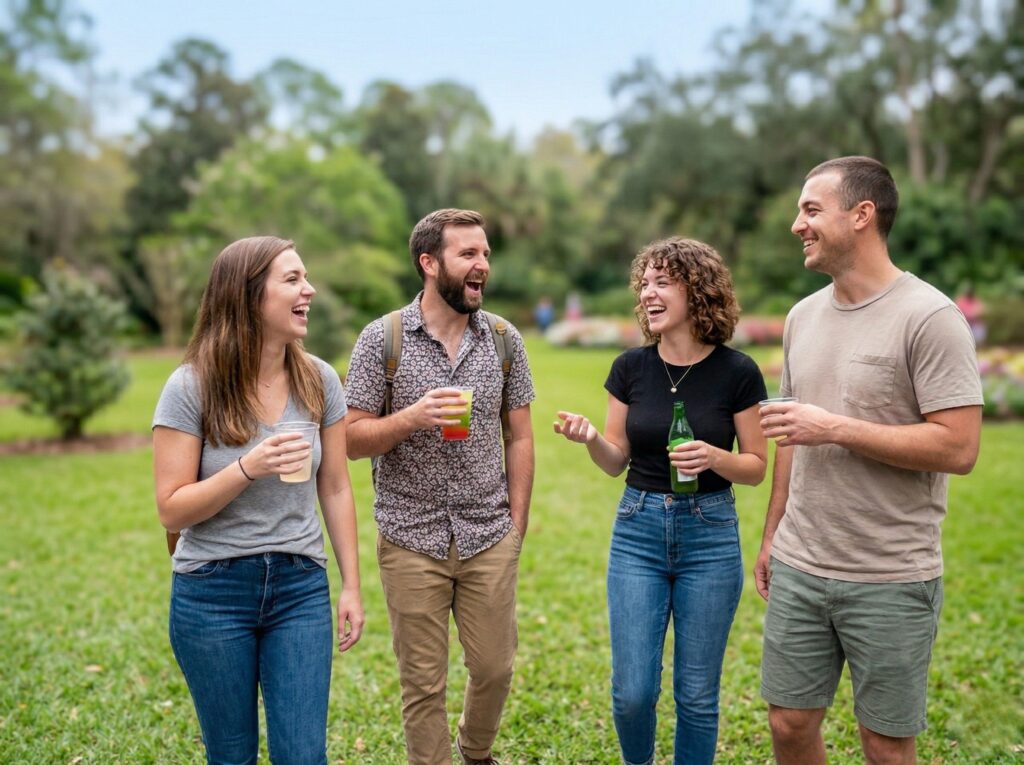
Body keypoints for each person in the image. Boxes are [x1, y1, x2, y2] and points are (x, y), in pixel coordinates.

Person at [755, 156, 983, 765]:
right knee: (788, 723)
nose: (796, 225)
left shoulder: (929, 317)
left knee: (885, 745)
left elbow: (958, 447)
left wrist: (834, 427)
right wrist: (774, 532)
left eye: (810, 210)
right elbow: (791, 434)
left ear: (862, 215)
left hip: (889, 572)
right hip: (803, 560)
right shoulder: (802, 317)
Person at [553, 237, 768, 765]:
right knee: (632, 693)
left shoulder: (738, 372)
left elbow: (758, 467)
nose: (648, 292)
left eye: (662, 282)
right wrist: (590, 441)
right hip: (638, 530)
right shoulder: (630, 368)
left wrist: (715, 457)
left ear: (697, 292)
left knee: (696, 696)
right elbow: (615, 460)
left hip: (710, 535)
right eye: (644, 283)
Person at [152, 236, 364, 765]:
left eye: (305, 277)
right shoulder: (191, 386)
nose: (309, 290)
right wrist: (249, 467)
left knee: (303, 756)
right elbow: (171, 508)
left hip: (299, 586)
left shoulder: (319, 379)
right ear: (249, 297)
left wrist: (352, 586)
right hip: (212, 592)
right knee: (232, 756)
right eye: (292, 279)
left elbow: (335, 486)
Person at [344, 209, 536, 765]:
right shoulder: (381, 339)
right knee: (423, 684)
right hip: (410, 537)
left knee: (495, 667)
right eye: (468, 255)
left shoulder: (504, 339)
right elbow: (352, 440)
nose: (483, 266)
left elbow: (519, 437)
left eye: (485, 255)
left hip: (487, 533)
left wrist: (515, 526)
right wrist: (410, 418)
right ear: (430, 263)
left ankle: (475, 753)